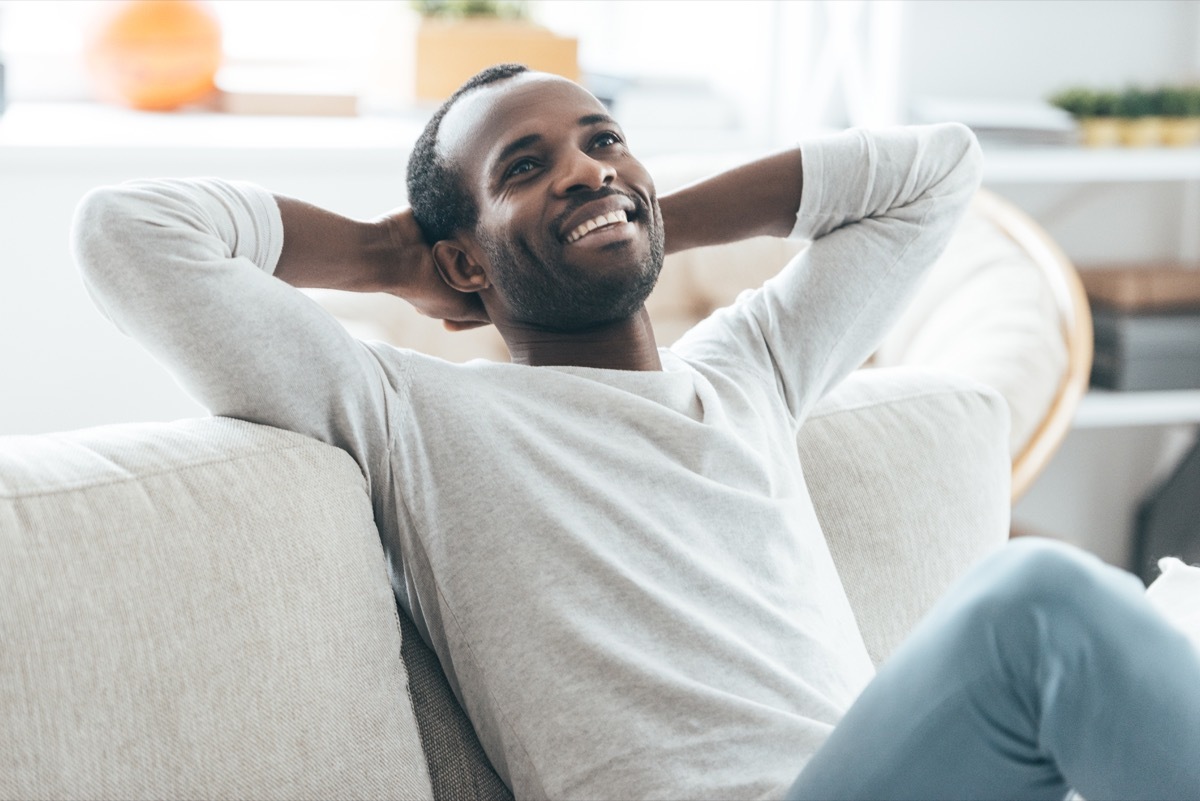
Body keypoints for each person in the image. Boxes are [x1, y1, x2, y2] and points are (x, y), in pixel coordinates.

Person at [72, 64, 1199, 800]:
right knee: (1038, 605)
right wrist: (387, 256)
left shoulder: (749, 371)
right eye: (527, 168)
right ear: (462, 259)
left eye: (602, 139)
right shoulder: (410, 412)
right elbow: (130, 233)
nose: (584, 165)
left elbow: (931, 173)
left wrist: (631, 209)